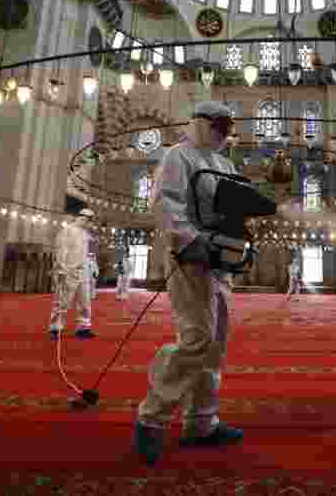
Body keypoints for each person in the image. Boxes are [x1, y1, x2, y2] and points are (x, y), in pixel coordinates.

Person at [134, 101, 243, 466]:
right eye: (219, 125)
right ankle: (152, 417)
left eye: (228, 127)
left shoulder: (225, 163)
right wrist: (188, 240)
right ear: (201, 123)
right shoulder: (178, 156)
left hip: (219, 261)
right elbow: (167, 202)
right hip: (190, 258)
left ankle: (202, 421)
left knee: (215, 344)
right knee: (197, 338)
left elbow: (230, 208)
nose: (225, 133)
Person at [49, 215, 96, 340]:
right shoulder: (67, 230)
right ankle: (55, 328)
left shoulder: (85, 233)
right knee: (62, 301)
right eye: (88, 220)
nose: (89, 223)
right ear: (82, 218)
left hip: (83, 271)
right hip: (69, 270)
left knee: (85, 301)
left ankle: (83, 327)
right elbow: (61, 250)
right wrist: (60, 268)